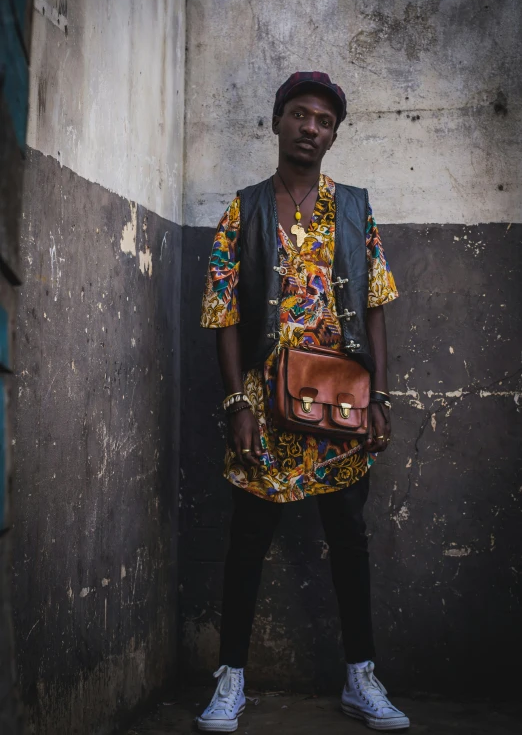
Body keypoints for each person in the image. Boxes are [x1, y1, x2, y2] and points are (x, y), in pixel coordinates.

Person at [197, 71, 409, 732]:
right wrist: (237, 403)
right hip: (264, 407)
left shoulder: (353, 209)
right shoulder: (245, 209)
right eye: (299, 114)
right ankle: (229, 679)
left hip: (340, 409)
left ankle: (360, 678)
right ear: (277, 122)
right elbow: (224, 311)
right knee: (247, 544)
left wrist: (378, 395)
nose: (310, 127)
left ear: (335, 135)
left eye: (323, 120)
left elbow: (374, 306)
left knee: (348, 540)